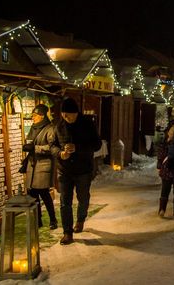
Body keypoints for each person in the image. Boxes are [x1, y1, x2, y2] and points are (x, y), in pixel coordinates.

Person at [54, 97, 102, 245]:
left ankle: (81, 219)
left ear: (76, 113)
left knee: (83, 198)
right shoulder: (59, 126)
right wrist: (60, 153)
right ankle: (67, 232)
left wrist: (78, 148)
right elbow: (53, 145)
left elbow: (97, 145)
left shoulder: (87, 124)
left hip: (83, 169)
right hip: (65, 170)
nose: (66, 117)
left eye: (68, 114)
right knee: (64, 202)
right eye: (63, 114)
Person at [20, 104, 59, 230]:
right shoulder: (33, 128)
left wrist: (35, 148)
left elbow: (52, 148)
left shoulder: (50, 129)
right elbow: (30, 141)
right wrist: (27, 146)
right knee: (33, 193)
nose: (33, 118)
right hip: (32, 166)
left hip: (43, 166)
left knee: (44, 193)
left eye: (35, 115)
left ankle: (53, 219)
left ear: (41, 116)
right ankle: (38, 220)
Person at [156, 116, 174, 217]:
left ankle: (162, 210)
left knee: (165, 190)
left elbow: (161, 154)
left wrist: (159, 165)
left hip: (166, 167)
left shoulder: (167, 140)